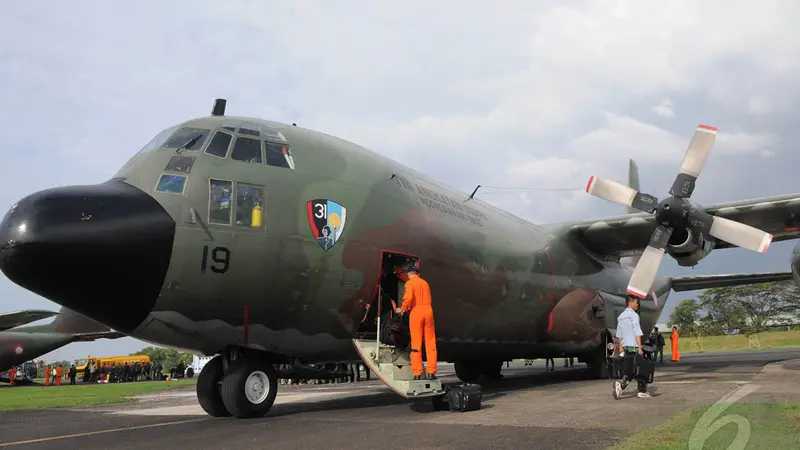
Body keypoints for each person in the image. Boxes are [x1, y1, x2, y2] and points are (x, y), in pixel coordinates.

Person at [398, 266, 437, 380]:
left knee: (416, 343)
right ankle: (431, 372)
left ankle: (418, 373)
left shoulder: (409, 284)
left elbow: (408, 298)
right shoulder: (425, 283)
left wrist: (403, 309)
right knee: (430, 343)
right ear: (418, 274)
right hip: (428, 311)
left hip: (416, 312)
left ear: (409, 275)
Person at [613, 295, 651, 399]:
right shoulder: (634, 315)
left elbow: (619, 334)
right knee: (642, 369)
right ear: (630, 303)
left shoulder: (620, 317)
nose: (638, 304)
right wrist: (639, 347)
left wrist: (621, 347)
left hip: (626, 347)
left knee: (630, 370)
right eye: (636, 302)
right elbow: (637, 332)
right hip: (634, 347)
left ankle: (621, 385)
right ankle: (641, 390)